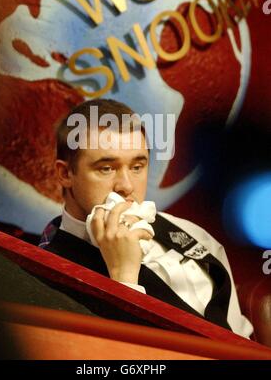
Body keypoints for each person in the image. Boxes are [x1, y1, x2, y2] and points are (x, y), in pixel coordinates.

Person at [39, 99, 253, 338]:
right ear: (65, 173)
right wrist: (124, 279)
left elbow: (242, 336)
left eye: (137, 166)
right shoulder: (47, 273)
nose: (126, 186)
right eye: (106, 168)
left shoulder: (191, 232)